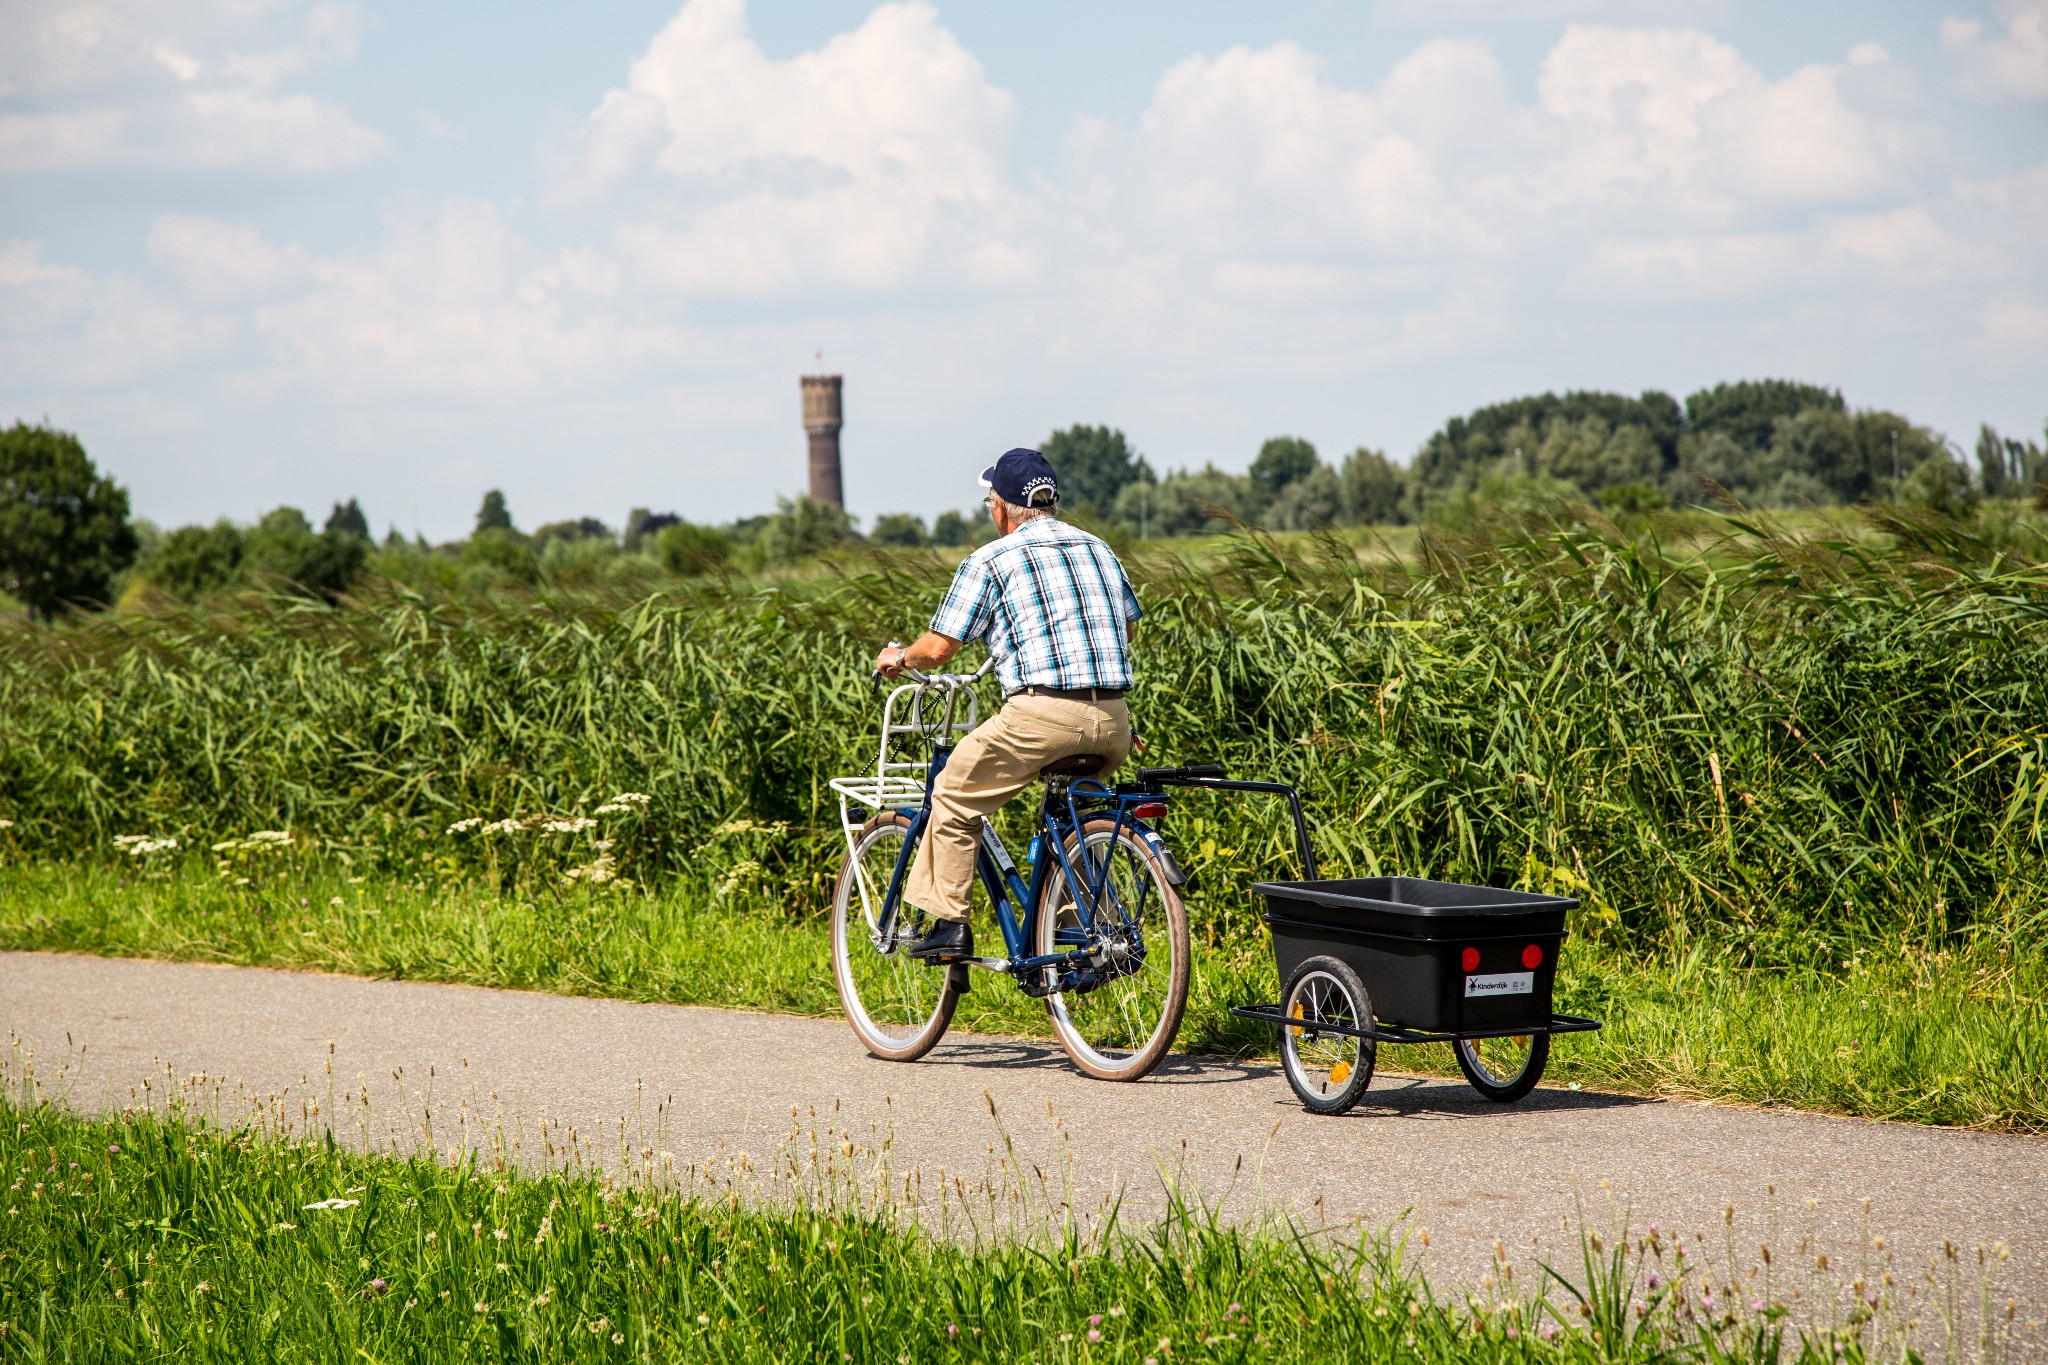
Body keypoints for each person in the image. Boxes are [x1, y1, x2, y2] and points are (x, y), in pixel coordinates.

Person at [874, 447, 1142, 961]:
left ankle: (949, 925)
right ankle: (1079, 935)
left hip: (1041, 716)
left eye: (988, 501)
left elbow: (938, 649)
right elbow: (1127, 628)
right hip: (1113, 718)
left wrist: (898, 658)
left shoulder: (992, 559)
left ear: (1001, 507)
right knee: (1072, 812)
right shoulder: (1099, 548)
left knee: (953, 792)